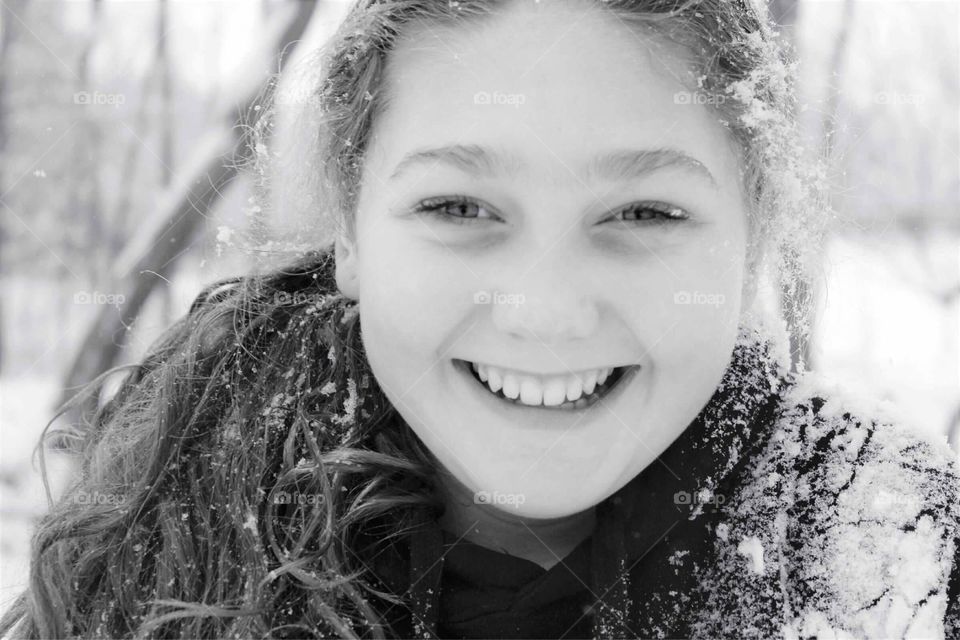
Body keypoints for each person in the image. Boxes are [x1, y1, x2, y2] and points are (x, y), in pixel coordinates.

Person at [3, 0, 958, 638]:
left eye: (644, 213)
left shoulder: (910, 565)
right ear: (352, 235)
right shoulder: (152, 544)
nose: (543, 314)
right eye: (460, 208)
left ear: (749, 246)